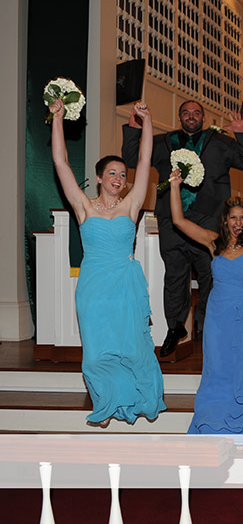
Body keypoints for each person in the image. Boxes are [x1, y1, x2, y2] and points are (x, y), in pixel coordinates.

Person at [122, 72, 243, 357]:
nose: (191, 116)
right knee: (174, 275)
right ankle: (175, 327)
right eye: (186, 113)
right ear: (179, 117)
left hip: (210, 219)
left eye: (196, 113)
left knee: (212, 273)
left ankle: (206, 321)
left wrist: (242, 133)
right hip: (171, 220)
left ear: (203, 118)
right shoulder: (163, 142)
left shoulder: (220, 141)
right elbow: (132, 159)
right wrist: (134, 129)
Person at [50, 98, 165, 426]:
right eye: (112, 173)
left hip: (125, 286)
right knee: (97, 350)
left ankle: (132, 397)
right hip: (94, 287)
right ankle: (105, 402)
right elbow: (61, 162)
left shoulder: (131, 206)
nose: (118, 178)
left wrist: (147, 122)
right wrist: (57, 118)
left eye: (122, 174)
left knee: (130, 347)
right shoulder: (83, 206)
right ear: (99, 178)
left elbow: (145, 160)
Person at [171, 149, 243, 440]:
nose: (238, 223)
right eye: (233, 218)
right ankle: (216, 427)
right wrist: (175, 186)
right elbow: (178, 221)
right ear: (225, 220)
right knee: (217, 366)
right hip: (217, 316)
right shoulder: (213, 243)